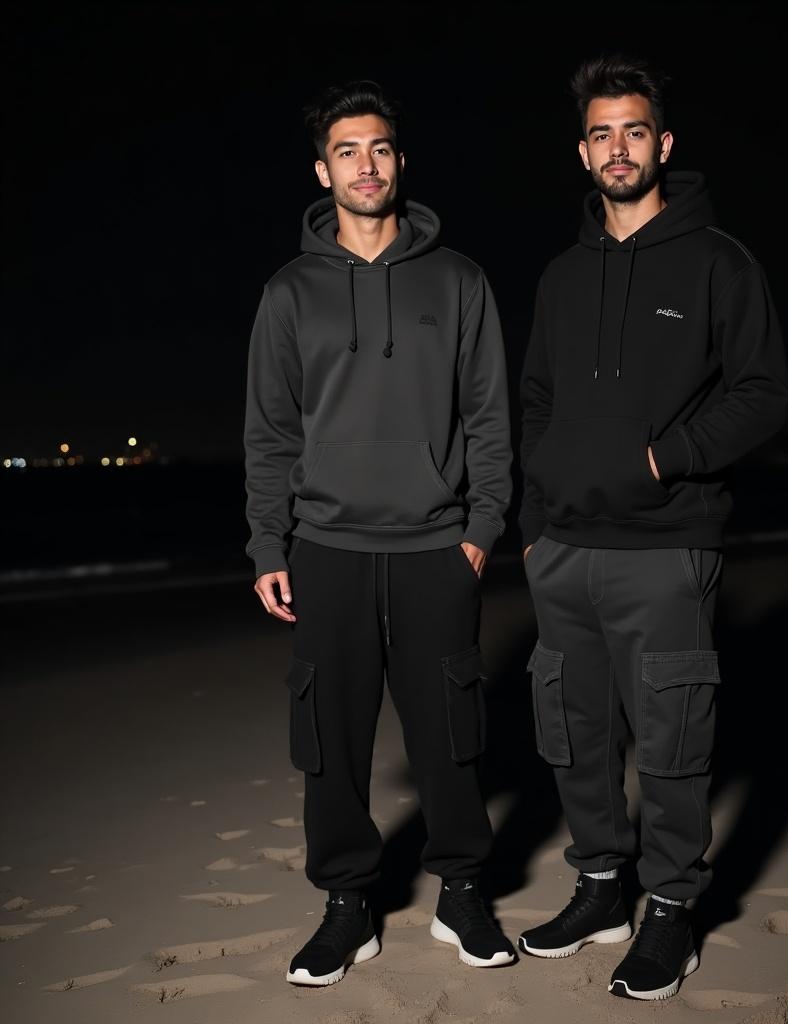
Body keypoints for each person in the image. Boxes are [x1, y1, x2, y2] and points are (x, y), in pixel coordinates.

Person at [517, 56, 788, 1001]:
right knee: (574, 736)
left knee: (673, 743)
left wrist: (661, 460)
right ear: (583, 150)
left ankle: (672, 911)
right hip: (563, 555)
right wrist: (533, 523)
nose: (618, 147)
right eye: (601, 133)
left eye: (635, 130)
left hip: (668, 546)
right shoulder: (560, 275)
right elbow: (537, 400)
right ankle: (600, 888)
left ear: (663, 144)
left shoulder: (719, 261)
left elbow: (762, 397)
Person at [244, 80, 515, 986]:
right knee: (330, 738)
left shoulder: (459, 280)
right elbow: (272, 432)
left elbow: (488, 419)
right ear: (323, 171)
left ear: (402, 161)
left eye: (382, 149)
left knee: (451, 730)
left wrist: (480, 527)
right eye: (348, 152)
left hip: (437, 545)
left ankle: (464, 891)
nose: (367, 165)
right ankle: (348, 905)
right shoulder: (289, 294)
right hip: (326, 548)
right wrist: (268, 546)